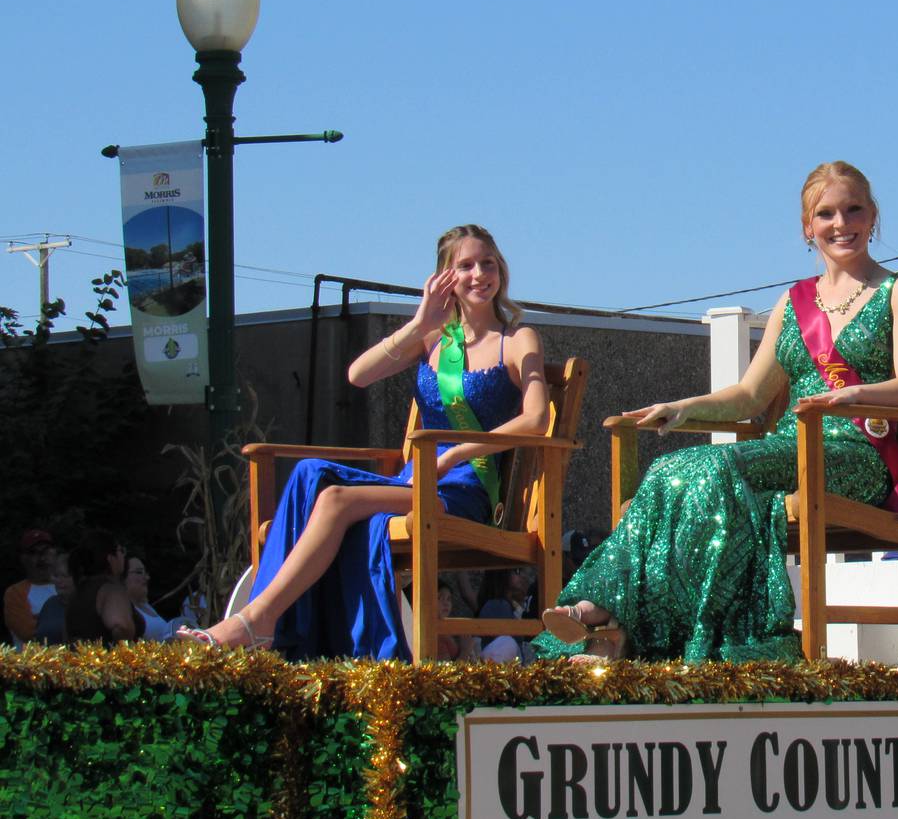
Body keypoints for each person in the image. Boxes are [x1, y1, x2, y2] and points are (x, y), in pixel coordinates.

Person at [537, 161, 898, 662]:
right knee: (670, 469)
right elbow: (749, 395)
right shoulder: (794, 303)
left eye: (854, 209)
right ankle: (605, 617)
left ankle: (626, 626)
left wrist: (850, 396)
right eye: (826, 213)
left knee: (720, 468)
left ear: (873, 215)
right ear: (807, 227)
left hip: (855, 454)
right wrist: (680, 408)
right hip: (791, 449)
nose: (841, 224)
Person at [181, 225, 549, 658]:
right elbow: (358, 374)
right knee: (308, 473)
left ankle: (258, 620)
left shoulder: (516, 338)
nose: (479, 274)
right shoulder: (433, 340)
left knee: (337, 500)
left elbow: (537, 419)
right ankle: (276, 622)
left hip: (463, 490)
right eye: (464, 265)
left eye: (488, 262)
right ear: (443, 277)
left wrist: (457, 456)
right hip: (415, 483)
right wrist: (418, 324)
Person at [65, 530, 141, 645]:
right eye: (121, 551)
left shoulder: (76, 593)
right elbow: (121, 626)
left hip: (80, 660)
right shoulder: (111, 590)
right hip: (107, 660)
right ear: (110, 558)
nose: (124, 556)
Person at [5, 528, 58, 644]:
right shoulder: (15, 593)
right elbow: (29, 633)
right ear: (23, 558)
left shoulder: (68, 585)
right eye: (33, 552)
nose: (42, 558)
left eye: (45, 551)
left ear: (55, 552)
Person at [124, 554, 174, 642]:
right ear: (123, 576)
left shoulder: (145, 605)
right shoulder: (124, 610)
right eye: (139, 572)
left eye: (145, 573)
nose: (147, 577)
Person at [33, 551, 74, 645]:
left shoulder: (86, 604)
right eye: (56, 576)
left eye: (64, 576)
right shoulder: (49, 604)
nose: (59, 581)